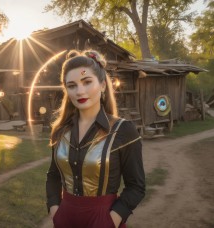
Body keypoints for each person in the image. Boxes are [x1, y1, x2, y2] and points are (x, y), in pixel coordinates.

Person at [46, 49, 145, 228]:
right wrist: (55, 211)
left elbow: (136, 186)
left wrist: (110, 220)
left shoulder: (123, 131)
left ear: (102, 85)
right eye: (72, 85)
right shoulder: (60, 131)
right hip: (65, 219)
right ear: (66, 90)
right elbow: (53, 176)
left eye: (87, 82)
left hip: (103, 220)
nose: (80, 91)